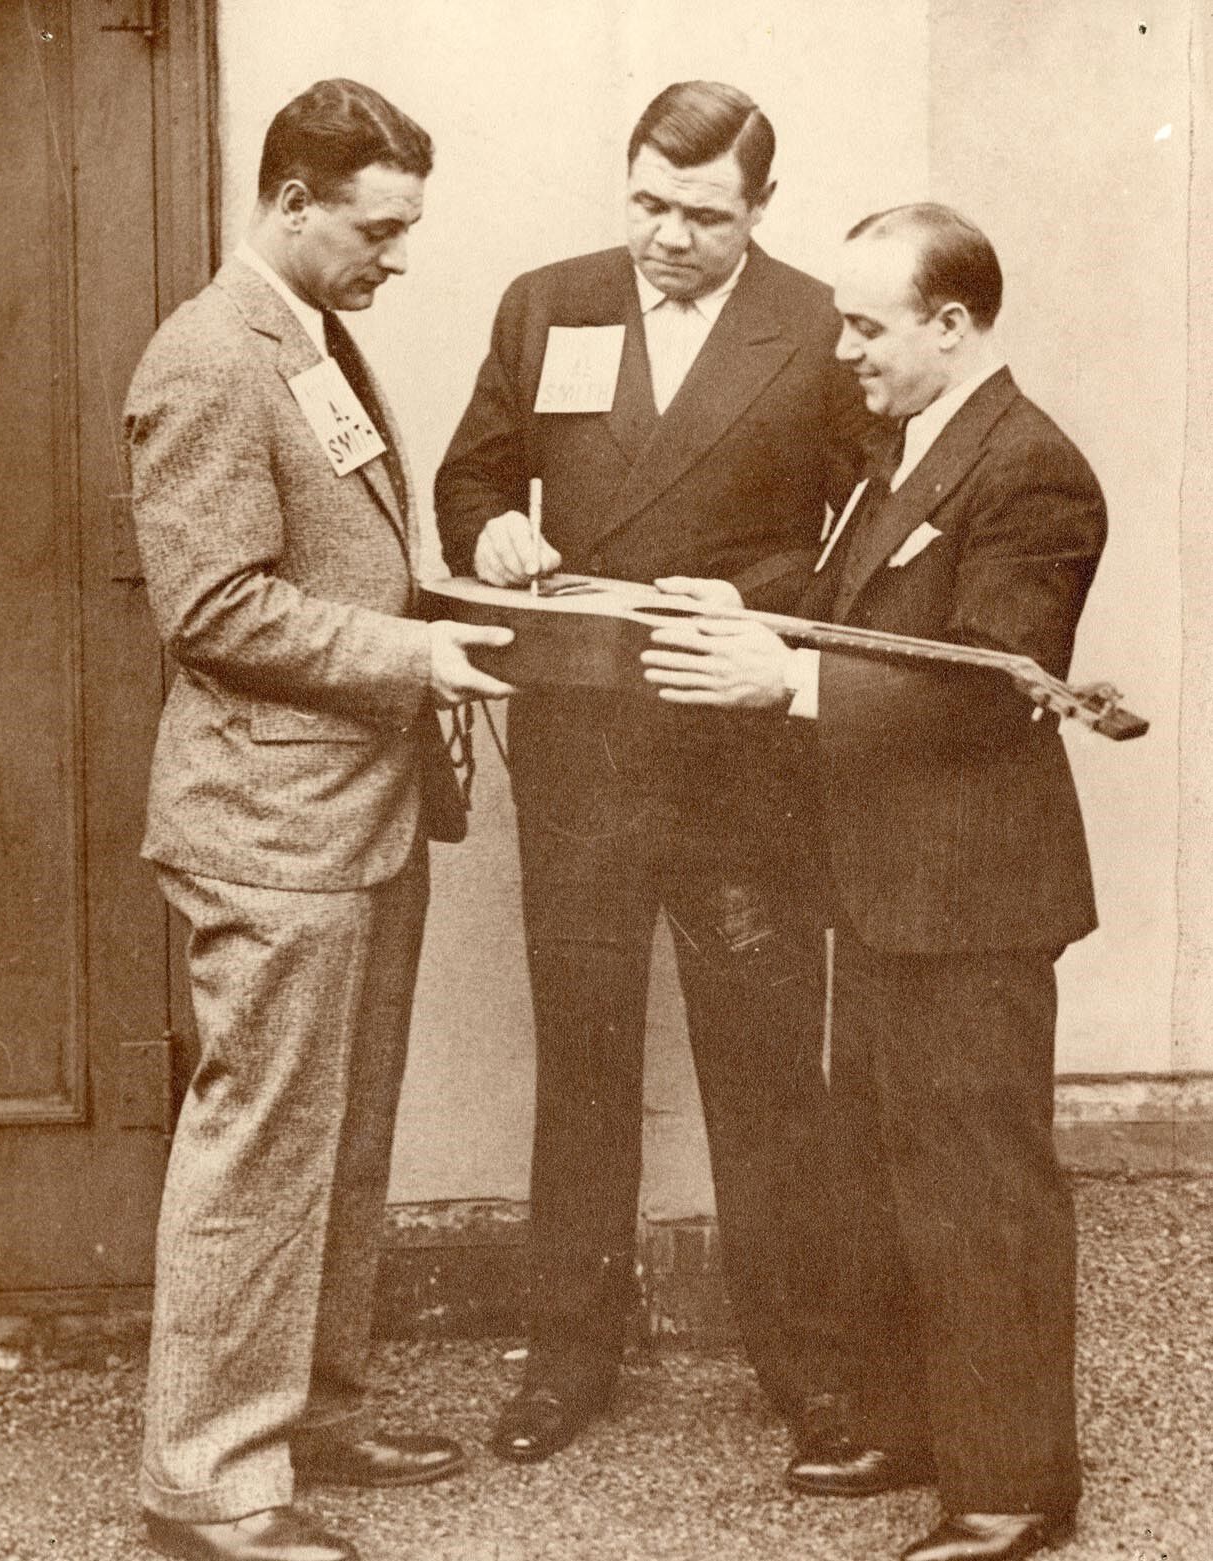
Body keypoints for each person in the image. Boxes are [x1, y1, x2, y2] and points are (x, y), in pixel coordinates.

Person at [642, 202, 1104, 1561]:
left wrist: (784, 678)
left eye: (865, 323)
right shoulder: (917, 445)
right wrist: (756, 607)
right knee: (893, 1169)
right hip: (890, 883)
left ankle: (1015, 1484)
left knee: (978, 1180)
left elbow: (986, 677)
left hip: (970, 896)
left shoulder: (1030, 469)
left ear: (949, 326)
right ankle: (918, 1426)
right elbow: (864, 590)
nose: (839, 347)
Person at [435, 80, 869, 1465]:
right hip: (581, 749)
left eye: (701, 214)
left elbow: (872, 539)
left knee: (761, 1068)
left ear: (760, 209)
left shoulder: (815, 323)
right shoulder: (542, 299)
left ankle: (806, 1366)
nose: (665, 237)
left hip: (739, 748)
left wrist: (758, 601)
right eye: (646, 203)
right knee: (583, 1056)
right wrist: (497, 526)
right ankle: (567, 1355)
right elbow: (466, 477)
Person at [125, 80, 513, 1561]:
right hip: (272, 829)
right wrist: (415, 653)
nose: (394, 258)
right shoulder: (213, 357)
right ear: (292, 201)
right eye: (377, 228)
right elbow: (212, 607)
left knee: (336, 1142)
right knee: (262, 1151)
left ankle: (311, 1406)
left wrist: (465, 605)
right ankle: (208, 1487)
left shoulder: (312, 338)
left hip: (359, 812)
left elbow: (346, 565)